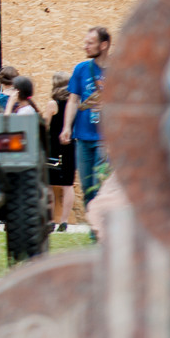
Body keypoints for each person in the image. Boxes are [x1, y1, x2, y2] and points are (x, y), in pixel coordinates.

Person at [60, 26, 110, 209]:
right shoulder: (81, 69)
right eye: (85, 42)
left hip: (106, 138)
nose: (85, 46)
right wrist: (67, 127)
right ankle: (94, 222)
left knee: (100, 184)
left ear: (103, 45)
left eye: (90, 43)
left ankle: (101, 223)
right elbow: (73, 101)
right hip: (82, 136)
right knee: (87, 187)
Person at [46, 71, 76, 232]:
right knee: (68, 184)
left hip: (53, 147)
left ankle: (51, 220)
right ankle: (64, 221)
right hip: (70, 145)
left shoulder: (53, 104)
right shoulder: (75, 104)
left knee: (50, 184)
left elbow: (45, 125)